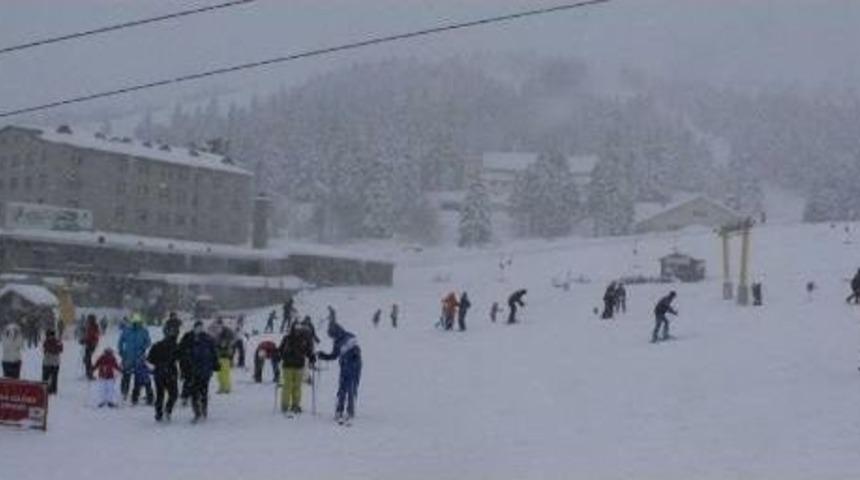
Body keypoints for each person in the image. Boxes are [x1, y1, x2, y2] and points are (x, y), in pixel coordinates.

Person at [317, 320, 362, 424]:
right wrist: (323, 355)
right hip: (344, 366)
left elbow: (356, 349)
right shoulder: (337, 342)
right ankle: (339, 410)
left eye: (332, 335)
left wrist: (355, 356)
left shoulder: (349, 336)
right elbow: (334, 355)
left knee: (351, 388)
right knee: (341, 388)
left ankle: (350, 411)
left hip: (354, 366)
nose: (332, 337)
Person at [181, 321, 219, 423]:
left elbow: (214, 353)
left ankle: (203, 410)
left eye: (200, 328)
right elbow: (183, 353)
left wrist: (215, 365)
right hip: (194, 371)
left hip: (204, 371)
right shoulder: (189, 338)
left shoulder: (208, 339)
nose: (198, 330)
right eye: (197, 328)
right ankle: (197, 412)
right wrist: (184, 368)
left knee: (203, 391)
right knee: (194, 392)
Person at [279, 322, 316, 415]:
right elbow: (280, 349)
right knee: (287, 386)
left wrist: (312, 357)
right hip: (287, 366)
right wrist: (277, 355)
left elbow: (308, 351)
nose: (297, 331)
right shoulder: (287, 338)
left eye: (299, 329)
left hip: (299, 366)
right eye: (296, 329)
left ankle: (295, 405)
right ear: (292, 329)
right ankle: (285, 405)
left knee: (297, 387)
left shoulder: (303, 340)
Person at [147, 325, 180, 422]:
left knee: (162, 395)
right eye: (170, 332)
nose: (172, 334)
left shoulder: (158, 345)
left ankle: (160, 413)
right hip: (167, 373)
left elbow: (150, 359)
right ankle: (165, 411)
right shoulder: (173, 345)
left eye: (173, 332)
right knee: (172, 394)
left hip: (162, 373)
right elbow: (181, 357)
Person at [118, 314, 151, 401]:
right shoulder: (127, 330)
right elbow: (120, 341)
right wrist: (121, 351)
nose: (137, 324)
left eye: (139, 323)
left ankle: (135, 394)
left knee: (138, 376)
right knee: (126, 375)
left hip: (139, 357)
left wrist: (143, 348)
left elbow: (148, 342)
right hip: (128, 356)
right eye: (135, 323)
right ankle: (124, 392)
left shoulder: (144, 331)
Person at [215, 323, 235, 394]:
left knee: (225, 374)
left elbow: (230, 350)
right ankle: (222, 387)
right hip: (219, 358)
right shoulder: (218, 338)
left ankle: (227, 388)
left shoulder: (227, 338)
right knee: (220, 375)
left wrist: (231, 358)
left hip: (226, 358)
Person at [42, 329, 63, 394]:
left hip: (49, 362)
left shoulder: (48, 341)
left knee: (47, 377)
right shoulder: (57, 341)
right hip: (53, 363)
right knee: (52, 377)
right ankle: (51, 389)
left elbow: (46, 348)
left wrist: (51, 349)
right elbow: (60, 349)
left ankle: (47, 389)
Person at [82, 315, 100, 380]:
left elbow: (95, 335)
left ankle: (90, 373)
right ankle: (88, 372)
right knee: (86, 359)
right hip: (88, 344)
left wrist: (94, 342)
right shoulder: (88, 326)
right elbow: (87, 335)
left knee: (88, 359)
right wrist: (83, 340)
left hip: (92, 344)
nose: (88, 320)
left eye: (89, 319)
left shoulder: (95, 326)